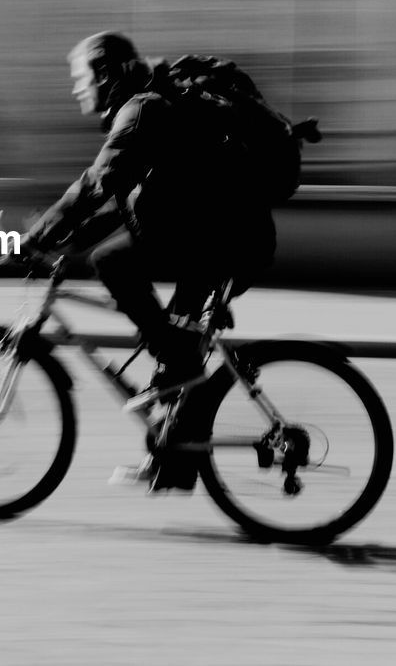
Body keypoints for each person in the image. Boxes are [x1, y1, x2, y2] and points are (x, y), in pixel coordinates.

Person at [17, 32, 277, 490]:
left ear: (105, 73)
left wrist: (37, 237)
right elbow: (121, 201)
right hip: (215, 237)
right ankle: (174, 461)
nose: (78, 89)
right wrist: (61, 241)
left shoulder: (142, 113)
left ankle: (177, 384)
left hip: (222, 243)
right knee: (171, 350)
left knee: (119, 271)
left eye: (81, 78)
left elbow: (96, 183)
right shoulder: (152, 109)